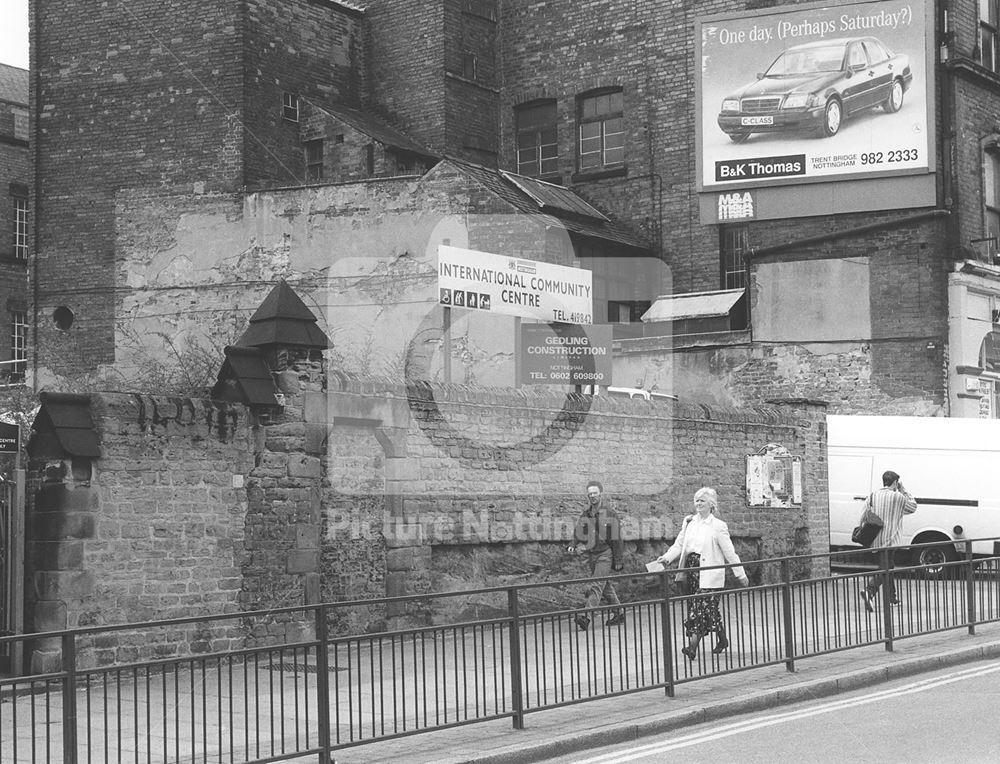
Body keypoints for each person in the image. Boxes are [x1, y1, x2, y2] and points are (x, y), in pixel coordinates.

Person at [656, 487, 749, 659]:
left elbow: (730, 552)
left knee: (699, 610)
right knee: (708, 610)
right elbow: (679, 544)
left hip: (709, 573)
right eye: (696, 500)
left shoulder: (718, 526)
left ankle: (692, 648)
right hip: (691, 572)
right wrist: (667, 558)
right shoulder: (689, 522)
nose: (698, 504)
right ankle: (722, 639)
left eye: (702, 501)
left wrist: (740, 574)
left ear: (711, 504)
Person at [569, 480, 625, 630]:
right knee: (604, 586)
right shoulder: (586, 514)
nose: (592, 496)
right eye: (590, 494)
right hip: (593, 554)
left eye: (595, 493)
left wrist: (618, 559)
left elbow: (617, 538)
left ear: (601, 494)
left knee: (596, 585)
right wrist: (572, 544)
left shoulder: (610, 513)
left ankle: (586, 617)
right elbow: (578, 532)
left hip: (605, 554)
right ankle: (619, 613)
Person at [859, 470, 917, 613]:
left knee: (888, 566)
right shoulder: (898, 497)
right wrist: (903, 490)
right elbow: (913, 507)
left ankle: (892, 598)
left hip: (876, 539)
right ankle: (869, 591)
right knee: (886, 568)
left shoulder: (873, 495)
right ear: (895, 483)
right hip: (891, 540)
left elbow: (863, 515)